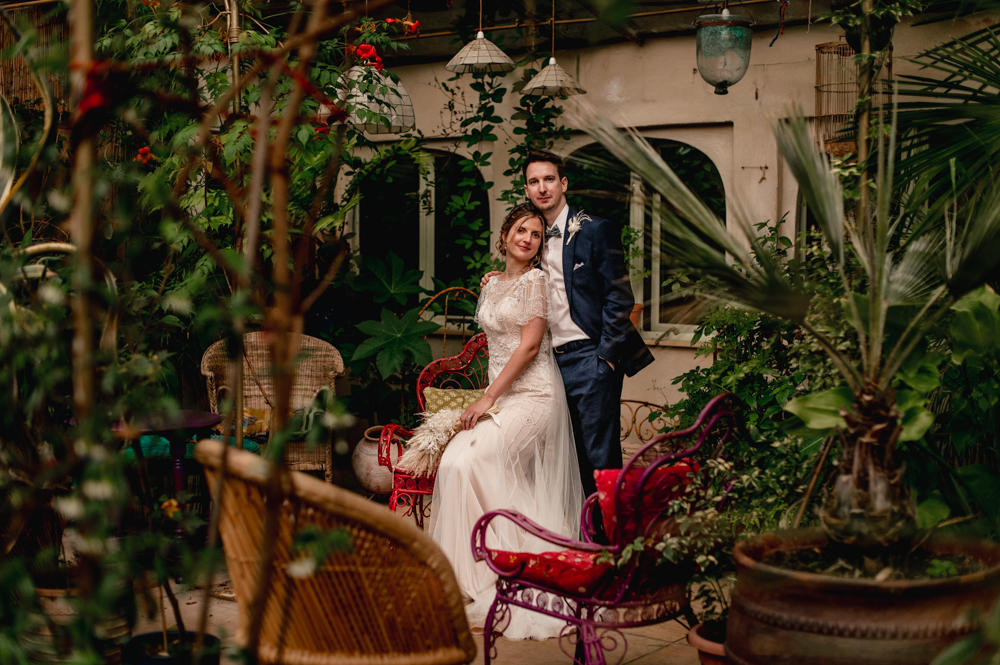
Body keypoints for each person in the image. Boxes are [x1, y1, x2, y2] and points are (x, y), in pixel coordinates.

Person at [430, 202, 584, 641]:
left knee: (473, 462)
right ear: (504, 236)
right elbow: (495, 332)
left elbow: (530, 347)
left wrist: (485, 399)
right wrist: (490, 398)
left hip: (532, 396)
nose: (528, 238)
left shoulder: (537, 281)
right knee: (455, 462)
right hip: (500, 397)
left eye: (536, 234)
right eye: (521, 230)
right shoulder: (492, 282)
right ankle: (468, 573)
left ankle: (515, 567)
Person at [483, 150, 655, 538]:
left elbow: (618, 298)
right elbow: (524, 281)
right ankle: (577, 542)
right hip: (546, 364)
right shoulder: (532, 234)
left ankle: (612, 547)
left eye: (548, 179)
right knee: (563, 459)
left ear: (563, 184)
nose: (541, 188)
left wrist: (606, 360)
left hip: (590, 359)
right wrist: (501, 276)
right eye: (533, 181)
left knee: (599, 459)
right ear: (526, 188)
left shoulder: (595, 230)